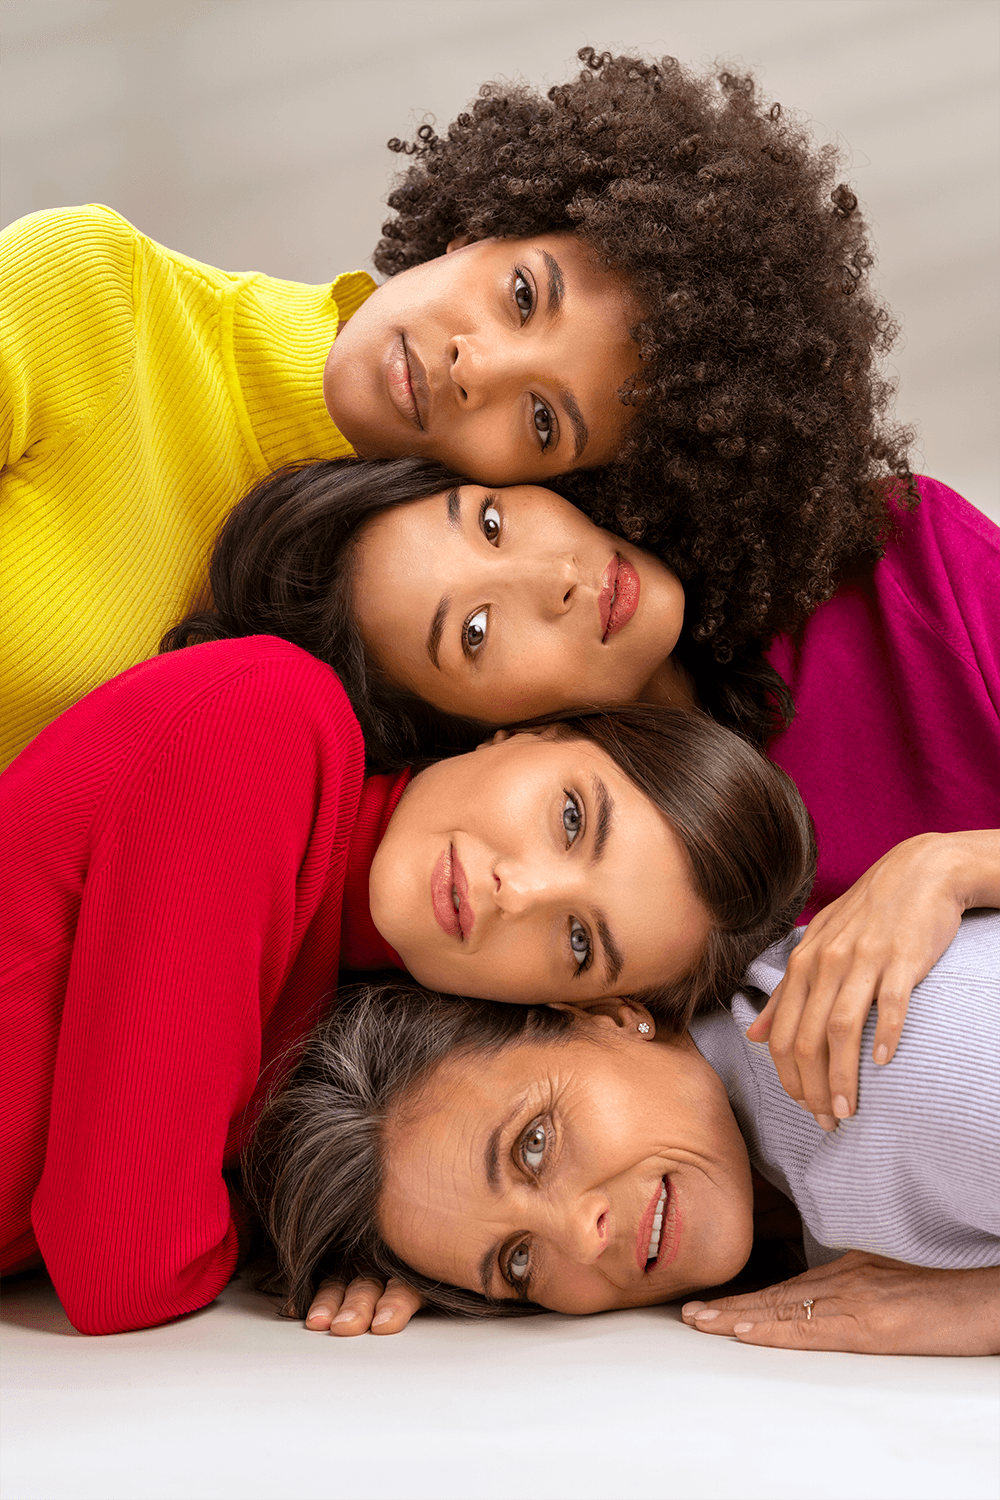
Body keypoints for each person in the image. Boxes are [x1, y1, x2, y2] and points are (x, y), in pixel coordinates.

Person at [1, 50, 909, 768]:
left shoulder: (431, 663)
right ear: (478, 223)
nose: (478, 367)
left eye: (546, 421)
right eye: (524, 294)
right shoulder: (91, 297)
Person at [0, 633, 813, 1334]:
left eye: (576, 941)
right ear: (527, 731)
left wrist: (399, 1226)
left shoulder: (320, 1024)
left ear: (576, 1003)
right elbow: (123, 1266)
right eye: (570, 819)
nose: (518, 891)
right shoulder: (269, 726)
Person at [165, 456, 1000, 1137]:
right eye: (476, 634)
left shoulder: (892, 571)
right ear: (468, 733)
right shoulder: (504, 927)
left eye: (490, 521)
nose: (555, 577)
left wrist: (953, 867)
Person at [249, 906, 1000, 1357]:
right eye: (516, 1263)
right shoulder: (785, 1145)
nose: (581, 1239)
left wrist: (970, 1309)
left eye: (533, 1145)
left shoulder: (894, 1062)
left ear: (611, 1017)